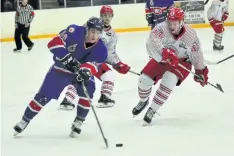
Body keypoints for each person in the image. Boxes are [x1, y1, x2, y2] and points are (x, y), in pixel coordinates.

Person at [13, 17, 108, 137]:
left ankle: (78, 122)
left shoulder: (101, 48)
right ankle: (25, 120)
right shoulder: (74, 32)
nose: (95, 36)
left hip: (79, 74)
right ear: (87, 29)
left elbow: (95, 64)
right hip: (60, 70)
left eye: (98, 33)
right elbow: (53, 43)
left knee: (87, 94)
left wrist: (86, 71)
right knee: (43, 96)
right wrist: (66, 57)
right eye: (93, 31)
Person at [132, 7, 209, 125]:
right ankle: (143, 101)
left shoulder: (190, 35)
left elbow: (196, 53)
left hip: (182, 61)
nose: (171, 26)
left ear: (181, 22)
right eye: (169, 22)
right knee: (143, 80)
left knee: (169, 81)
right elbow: (151, 41)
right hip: (163, 58)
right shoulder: (162, 28)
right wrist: (163, 51)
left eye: (174, 23)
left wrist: (199, 70)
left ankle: (152, 109)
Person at [59, 5, 130, 110]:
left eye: (109, 16)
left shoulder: (112, 34)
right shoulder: (90, 26)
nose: (107, 18)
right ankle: (67, 100)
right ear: (100, 15)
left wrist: (118, 63)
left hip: (95, 61)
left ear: (112, 16)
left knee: (109, 75)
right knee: (81, 77)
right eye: (104, 15)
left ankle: (104, 97)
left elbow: (110, 53)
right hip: (81, 59)